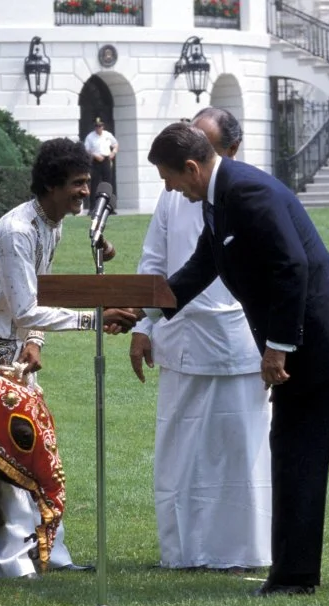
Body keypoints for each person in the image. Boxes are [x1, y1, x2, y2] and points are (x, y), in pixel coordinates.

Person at [145, 121, 329, 596]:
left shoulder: (247, 192)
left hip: (316, 343)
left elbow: (293, 267)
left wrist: (278, 347)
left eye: (169, 177)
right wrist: (143, 312)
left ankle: (294, 578)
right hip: (327, 337)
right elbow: (200, 267)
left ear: (191, 167)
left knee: (293, 455)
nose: (169, 188)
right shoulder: (222, 194)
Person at [0, 137, 137, 578]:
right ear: (51, 186)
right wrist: (98, 318)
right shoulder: (17, 232)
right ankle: (15, 564)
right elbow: (28, 308)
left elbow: (37, 296)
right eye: (77, 184)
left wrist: (34, 341)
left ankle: (49, 553)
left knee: (36, 452)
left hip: (12, 350)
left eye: (87, 183)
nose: (85, 193)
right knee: (7, 459)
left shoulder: (50, 223)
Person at [130, 108, 272, 573]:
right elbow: (156, 261)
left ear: (227, 151)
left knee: (240, 451)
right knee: (182, 456)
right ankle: (186, 552)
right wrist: (141, 325)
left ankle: (244, 550)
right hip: (180, 340)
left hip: (239, 341)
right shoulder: (173, 196)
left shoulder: (249, 193)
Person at [83, 117, 118, 214]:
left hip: (106, 160)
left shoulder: (107, 135)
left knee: (108, 184)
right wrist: (95, 155)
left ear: (103, 126)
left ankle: (109, 208)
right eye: (97, 126)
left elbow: (115, 144)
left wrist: (113, 153)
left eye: (100, 126)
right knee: (94, 184)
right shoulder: (90, 137)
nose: (98, 128)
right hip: (95, 161)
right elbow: (86, 149)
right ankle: (93, 208)